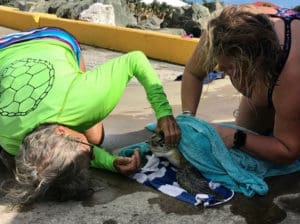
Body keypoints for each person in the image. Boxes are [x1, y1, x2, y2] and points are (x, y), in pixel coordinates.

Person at [0, 27, 181, 204]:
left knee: (94, 138)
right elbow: (60, 157)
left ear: (62, 130)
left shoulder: (86, 99)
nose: (90, 155)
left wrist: (164, 113)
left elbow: (135, 59)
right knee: (92, 138)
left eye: (85, 154)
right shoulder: (9, 141)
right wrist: (110, 162)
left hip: (51, 38)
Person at [181, 5, 300, 164]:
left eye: (234, 72)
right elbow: (193, 73)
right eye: (224, 70)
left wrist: (238, 137)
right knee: (245, 142)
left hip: (287, 68)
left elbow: (287, 151)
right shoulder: (219, 33)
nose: (230, 78)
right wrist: (188, 120)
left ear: (257, 63)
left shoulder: (292, 73)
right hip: (266, 63)